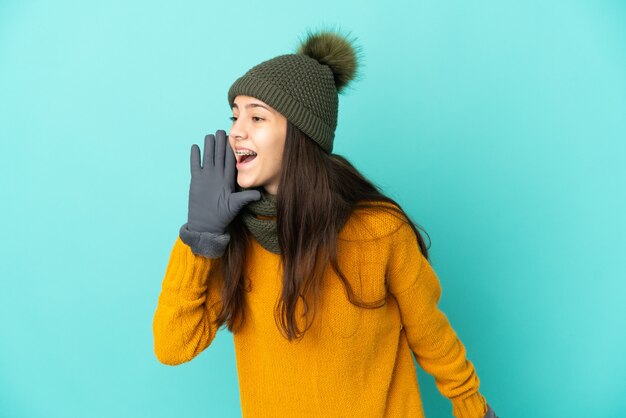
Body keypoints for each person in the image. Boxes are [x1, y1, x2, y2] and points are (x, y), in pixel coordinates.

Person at [152, 27, 498, 418]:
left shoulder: (378, 231)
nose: (236, 132)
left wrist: (471, 405)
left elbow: (429, 332)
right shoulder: (235, 237)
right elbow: (173, 345)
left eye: (257, 117)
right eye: (234, 116)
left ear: (301, 132)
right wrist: (199, 240)